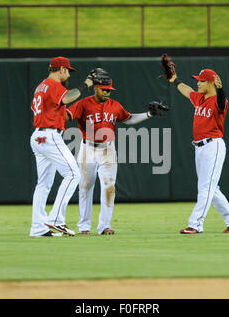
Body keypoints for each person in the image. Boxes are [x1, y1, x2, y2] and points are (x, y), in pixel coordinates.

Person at [66, 68, 167, 235]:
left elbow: (128, 119)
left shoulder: (115, 105)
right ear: (96, 88)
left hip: (108, 150)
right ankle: (84, 227)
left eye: (109, 90)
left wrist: (148, 114)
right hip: (87, 149)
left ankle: (104, 226)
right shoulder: (83, 103)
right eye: (104, 90)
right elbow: (67, 115)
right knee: (85, 187)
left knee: (109, 187)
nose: (107, 93)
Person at [168, 68, 229, 234]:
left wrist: (221, 89)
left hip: (213, 146)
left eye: (201, 81)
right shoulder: (199, 98)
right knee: (211, 188)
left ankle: (195, 224)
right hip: (199, 148)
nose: (198, 83)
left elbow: (222, 103)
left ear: (211, 83)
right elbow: (187, 91)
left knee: (205, 188)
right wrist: (175, 81)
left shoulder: (218, 101)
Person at [29, 56, 93, 237]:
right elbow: (67, 98)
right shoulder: (54, 85)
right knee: (73, 174)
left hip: (38, 136)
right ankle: (56, 219)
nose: (68, 75)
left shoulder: (41, 86)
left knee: (43, 184)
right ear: (61, 70)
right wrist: (86, 84)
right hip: (50, 135)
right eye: (68, 71)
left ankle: (38, 228)